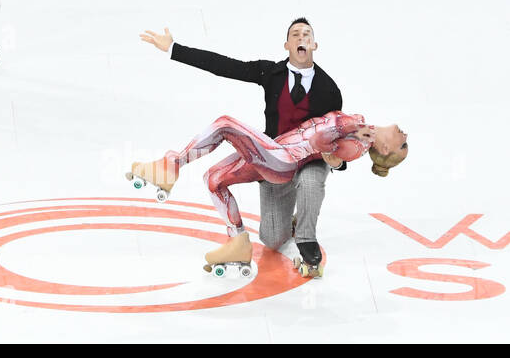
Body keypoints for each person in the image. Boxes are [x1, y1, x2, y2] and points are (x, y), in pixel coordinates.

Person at [140, 19, 346, 271]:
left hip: (309, 163)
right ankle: (238, 239)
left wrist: (339, 162)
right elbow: (226, 66)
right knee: (225, 191)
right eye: (295, 34)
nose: (301, 37)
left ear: (314, 44)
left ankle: (306, 239)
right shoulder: (271, 73)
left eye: (306, 34)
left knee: (309, 180)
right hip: (274, 160)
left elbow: (340, 137)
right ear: (287, 45)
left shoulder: (329, 90)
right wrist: (175, 49)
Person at [127, 112, 407, 276]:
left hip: (282, 159)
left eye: (403, 143)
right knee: (213, 180)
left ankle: (170, 166)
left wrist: (348, 128)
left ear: (384, 150)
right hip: (274, 150)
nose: (405, 134)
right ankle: (237, 241)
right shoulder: (360, 124)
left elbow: (318, 142)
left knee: (225, 123)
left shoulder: (357, 146)